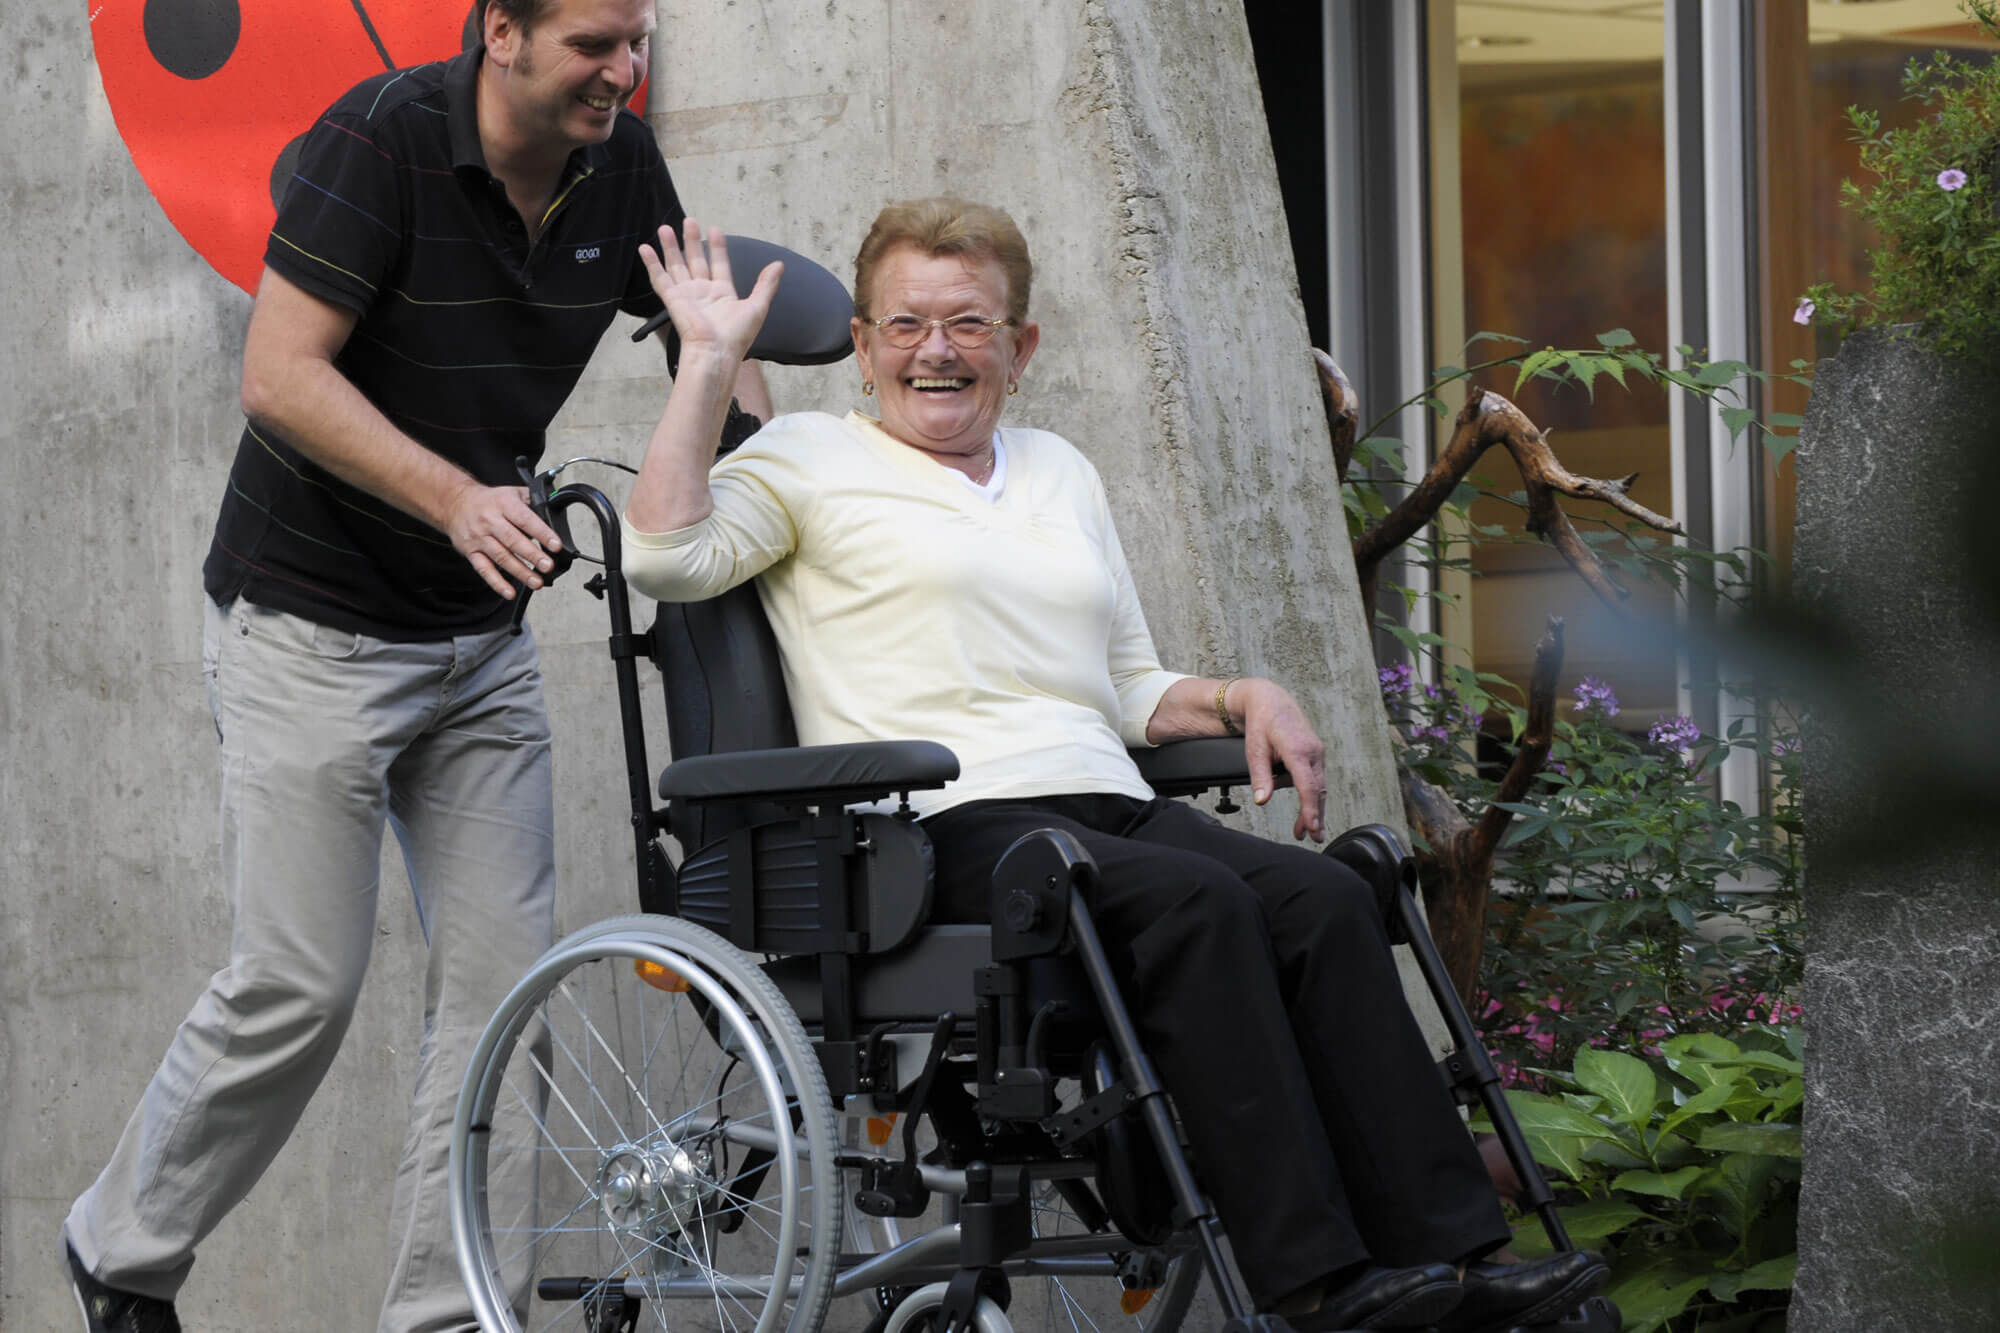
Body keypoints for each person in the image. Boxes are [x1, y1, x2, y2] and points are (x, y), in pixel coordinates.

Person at [618, 199, 1609, 1332]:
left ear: (1021, 345)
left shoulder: (1058, 470)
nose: (935, 350)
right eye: (904, 324)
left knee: (1325, 896)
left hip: (1105, 804)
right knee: (1193, 903)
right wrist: (710, 361)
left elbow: (1128, 685)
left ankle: (1462, 1261)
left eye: (969, 323)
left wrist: (1240, 696)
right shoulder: (807, 457)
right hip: (937, 822)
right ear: (861, 342)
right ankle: (1318, 1286)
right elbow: (666, 552)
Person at [61, 3, 769, 1330]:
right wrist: (455, 498)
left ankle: (451, 1313)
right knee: (299, 983)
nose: (624, 71)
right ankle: (122, 1247)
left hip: (478, 651)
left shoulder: (619, 160)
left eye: (636, 40)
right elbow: (279, 377)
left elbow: (701, 331)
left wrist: (754, 453)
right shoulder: (380, 141)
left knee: (509, 997)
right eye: (595, 43)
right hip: (310, 626)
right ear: (501, 32)